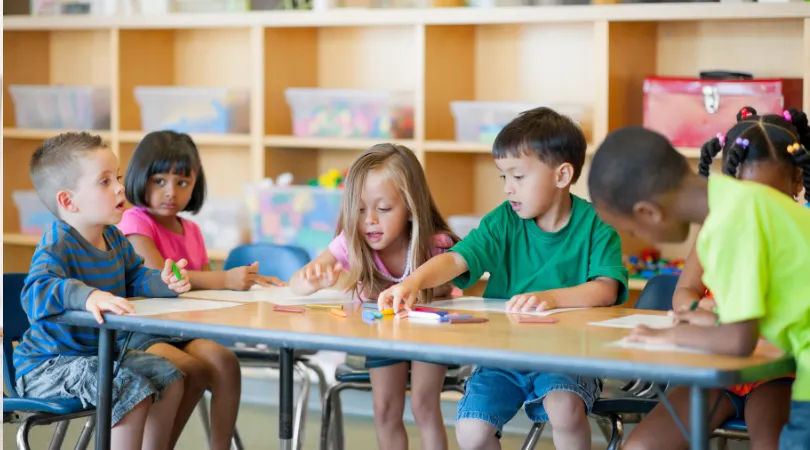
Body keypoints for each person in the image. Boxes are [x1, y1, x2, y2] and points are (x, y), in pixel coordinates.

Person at [379, 107, 629, 450]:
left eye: (518, 177)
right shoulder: (503, 222)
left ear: (562, 175)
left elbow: (606, 289)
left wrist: (552, 298)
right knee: (471, 430)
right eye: (503, 177)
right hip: (503, 359)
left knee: (565, 409)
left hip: (566, 357)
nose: (509, 189)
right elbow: (456, 258)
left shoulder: (596, 227)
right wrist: (411, 282)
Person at [586, 110, 810, 450]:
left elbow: (738, 343)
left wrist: (669, 336)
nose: (635, 235)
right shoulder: (735, 204)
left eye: (631, 229)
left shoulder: (729, 222)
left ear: (649, 212)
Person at [13, 132, 191, 450]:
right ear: (68, 201)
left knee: (170, 378)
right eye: (104, 182)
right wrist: (89, 295)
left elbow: (136, 277)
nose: (120, 188)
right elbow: (36, 291)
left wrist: (164, 283)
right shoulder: (59, 241)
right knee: (125, 388)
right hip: (48, 366)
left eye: (117, 178)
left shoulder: (114, 238)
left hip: (99, 356)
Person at [290, 143, 459, 450]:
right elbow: (297, 284)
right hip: (384, 333)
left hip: (428, 333)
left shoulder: (436, 246)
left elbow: (468, 287)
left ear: (410, 207)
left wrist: (445, 289)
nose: (369, 220)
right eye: (360, 209)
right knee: (384, 410)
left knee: (424, 405)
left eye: (383, 209)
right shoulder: (350, 243)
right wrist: (313, 281)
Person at [118, 131, 279, 449]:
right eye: (159, 181)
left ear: (195, 184)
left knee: (225, 362)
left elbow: (203, 289)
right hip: (141, 331)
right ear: (140, 179)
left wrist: (243, 284)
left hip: (183, 330)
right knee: (187, 369)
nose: (170, 192)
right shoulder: (135, 221)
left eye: (182, 182)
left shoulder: (190, 229)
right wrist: (226, 279)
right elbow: (160, 278)